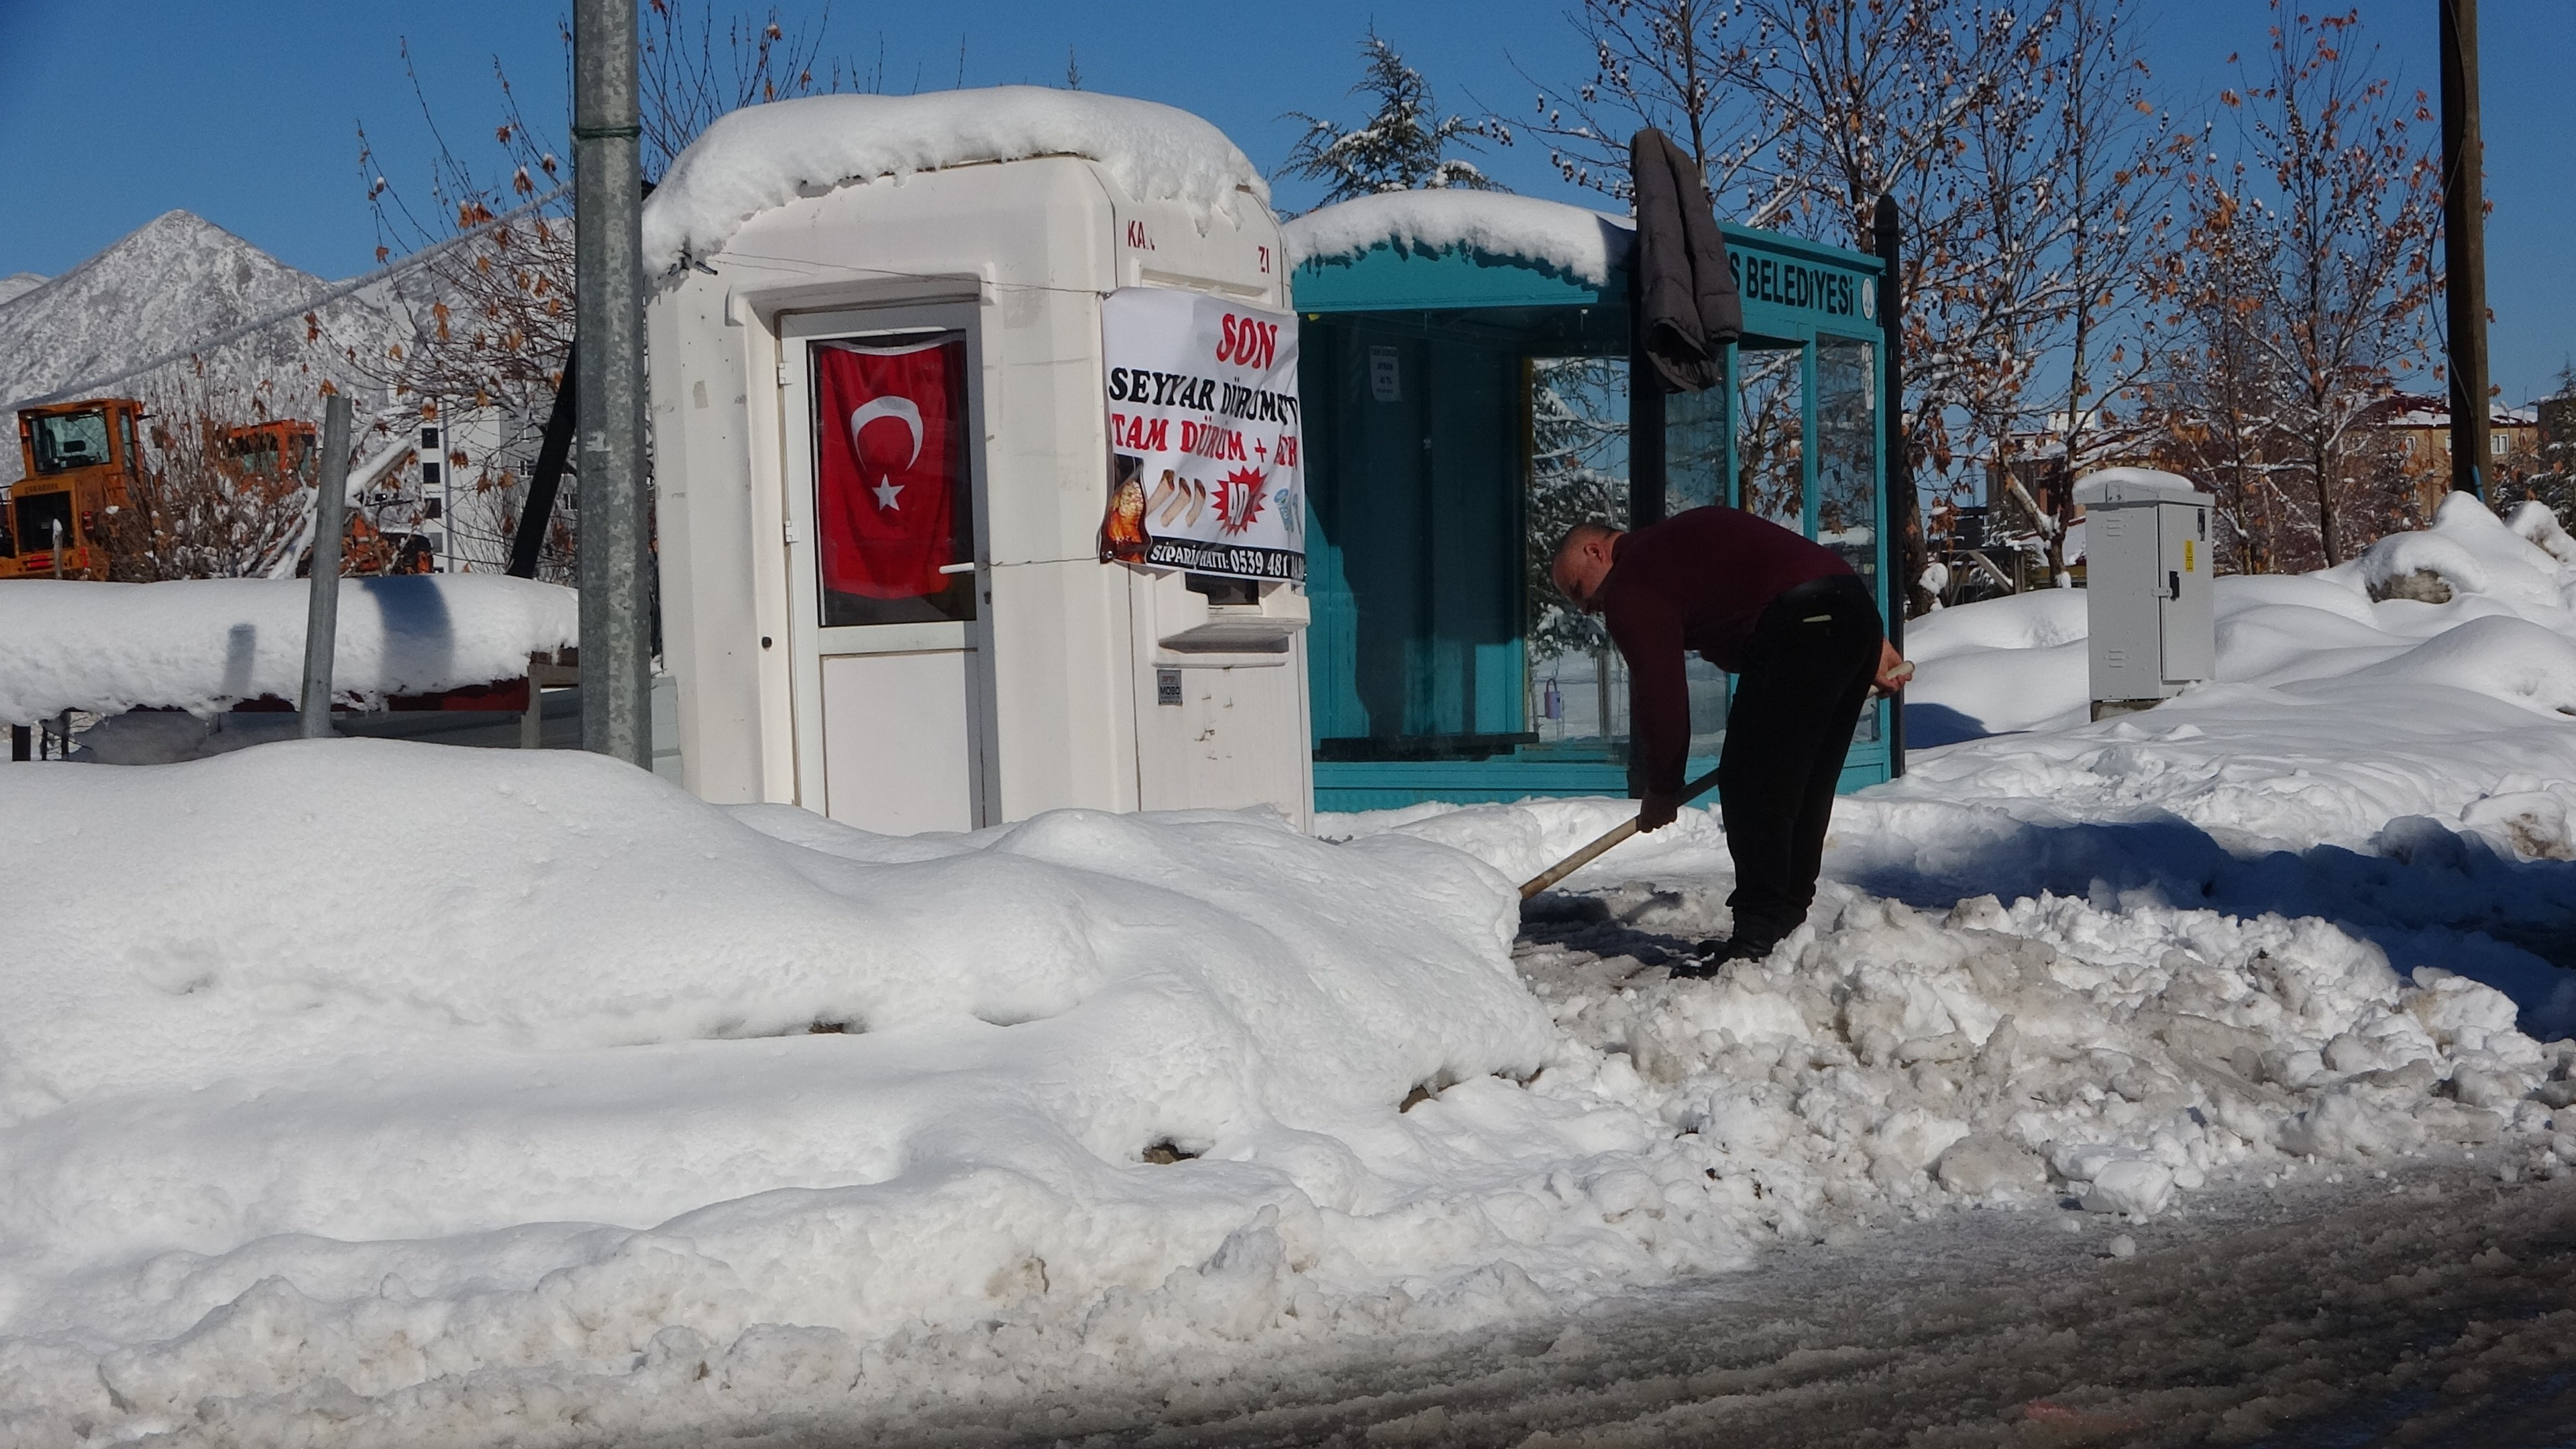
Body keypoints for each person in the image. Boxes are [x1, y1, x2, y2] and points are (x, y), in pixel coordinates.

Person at [1550, 509, 1909, 971]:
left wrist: (1662, 785)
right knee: (1802, 784)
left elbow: (1660, 693)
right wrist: (1869, 642)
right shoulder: (1679, 544)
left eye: (1580, 590)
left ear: (1596, 551)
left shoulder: (1633, 581)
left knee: (1752, 785)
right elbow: (1786, 564)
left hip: (1804, 627)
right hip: (1849, 612)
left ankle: (1757, 940)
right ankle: (1781, 927)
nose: (1586, 608)